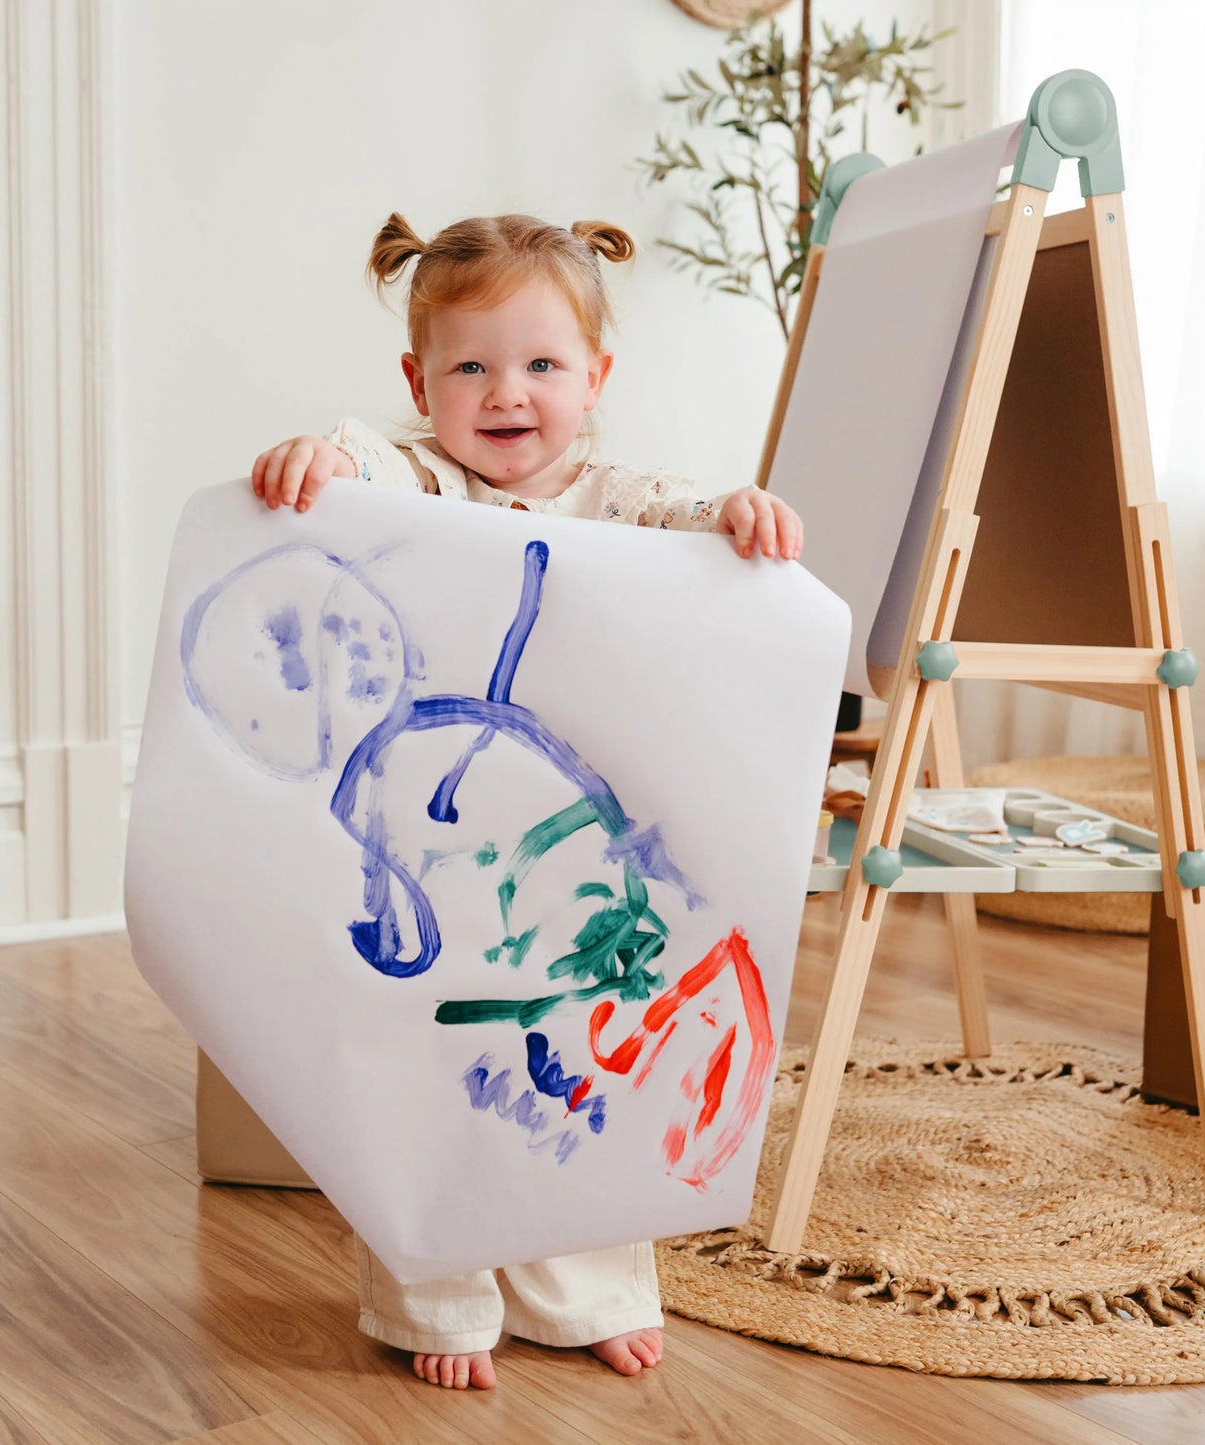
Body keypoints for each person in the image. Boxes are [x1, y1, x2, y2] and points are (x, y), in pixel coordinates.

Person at [250, 212, 804, 1393]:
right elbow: (360, 470)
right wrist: (323, 462)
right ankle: (436, 1299)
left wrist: (738, 516)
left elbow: (691, 528)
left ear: (595, 377)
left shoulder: (621, 496)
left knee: (588, 1055)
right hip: (438, 855)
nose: (508, 393)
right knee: (426, 1066)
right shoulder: (413, 478)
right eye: (470, 366)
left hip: (571, 857)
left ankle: (585, 1293)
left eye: (543, 364)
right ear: (420, 382)